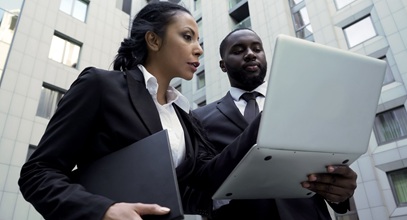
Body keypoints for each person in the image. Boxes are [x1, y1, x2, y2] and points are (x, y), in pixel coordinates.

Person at [18, 3, 265, 220]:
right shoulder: (100, 86)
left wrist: (264, 121)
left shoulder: (185, 117)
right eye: (188, 37)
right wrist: (104, 210)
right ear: (154, 40)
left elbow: (208, 178)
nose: (199, 49)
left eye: (198, 41)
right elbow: (37, 173)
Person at [192, 28, 358, 220]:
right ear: (223, 65)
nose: (250, 54)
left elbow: (327, 162)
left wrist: (338, 192)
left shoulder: (303, 103)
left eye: (257, 49)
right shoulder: (199, 118)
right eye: (238, 51)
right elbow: (199, 185)